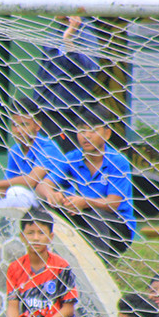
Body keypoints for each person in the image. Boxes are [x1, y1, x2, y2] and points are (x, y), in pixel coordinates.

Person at [35, 105, 136, 261]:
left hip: (117, 228)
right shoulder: (72, 157)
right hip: (82, 218)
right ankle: (47, 258)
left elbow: (113, 203)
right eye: (81, 130)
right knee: (43, 205)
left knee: (92, 213)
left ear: (107, 133)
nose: (86, 136)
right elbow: (43, 185)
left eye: (93, 130)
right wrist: (53, 195)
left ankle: (99, 263)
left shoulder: (118, 161)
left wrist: (84, 202)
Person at [0, 97, 68, 212]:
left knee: (16, 192)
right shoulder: (15, 151)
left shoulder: (48, 147)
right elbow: (5, 189)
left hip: (52, 203)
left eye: (24, 124)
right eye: (14, 125)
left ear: (37, 126)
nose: (18, 130)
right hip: (23, 200)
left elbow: (31, 181)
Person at [33, 0, 101, 152]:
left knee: (61, 169)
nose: (54, 5)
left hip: (67, 115)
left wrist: (68, 41)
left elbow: (90, 69)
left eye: (61, 0)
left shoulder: (84, 29)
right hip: (45, 112)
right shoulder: (54, 31)